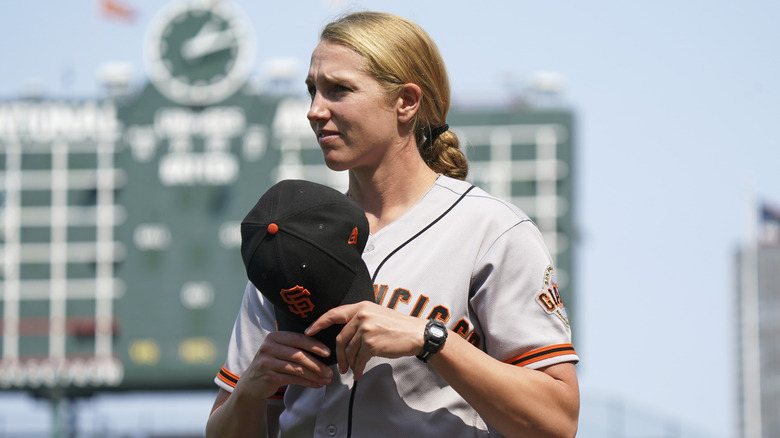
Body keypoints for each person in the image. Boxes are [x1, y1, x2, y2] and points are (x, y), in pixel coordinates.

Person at [206, 10, 580, 438]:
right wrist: (251, 390)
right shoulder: (289, 232)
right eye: (312, 90)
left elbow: (557, 421)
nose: (314, 110)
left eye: (338, 90)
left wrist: (432, 339)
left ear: (405, 101)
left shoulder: (491, 230)